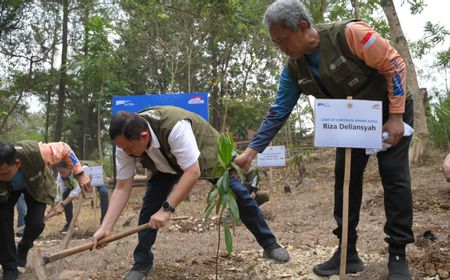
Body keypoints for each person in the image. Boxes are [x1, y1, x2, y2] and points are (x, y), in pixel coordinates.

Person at [234, 1, 414, 280]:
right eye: (275, 42)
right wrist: (251, 152)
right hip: (354, 121)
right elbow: (278, 111)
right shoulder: (294, 69)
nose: (281, 47)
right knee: (345, 181)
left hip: (390, 110)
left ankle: (398, 254)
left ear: (303, 27)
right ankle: (347, 252)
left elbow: (394, 64)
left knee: (394, 176)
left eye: (283, 39)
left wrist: (396, 116)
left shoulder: (351, 34)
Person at [92, 106, 290, 280]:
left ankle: (270, 244)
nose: (125, 153)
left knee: (239, 196)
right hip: (165, 167)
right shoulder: (125, 143)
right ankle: (142, 262)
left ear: (144, 137)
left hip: (204, 156)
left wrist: (167, 209)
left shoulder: (175, 127)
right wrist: (106, 227)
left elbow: (192, 172)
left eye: (128, 148)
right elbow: (122, 186)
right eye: (122, 148)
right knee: (148, 211)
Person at [0, 140, 91, 280]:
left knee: (36, 223)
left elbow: (65, 148)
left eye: (3, 173)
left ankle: (24, 247)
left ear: (17, 164)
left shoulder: (37, 152)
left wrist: (79, 173)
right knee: (2, 224)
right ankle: (10, 268)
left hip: (36, 186)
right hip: (5, 192)